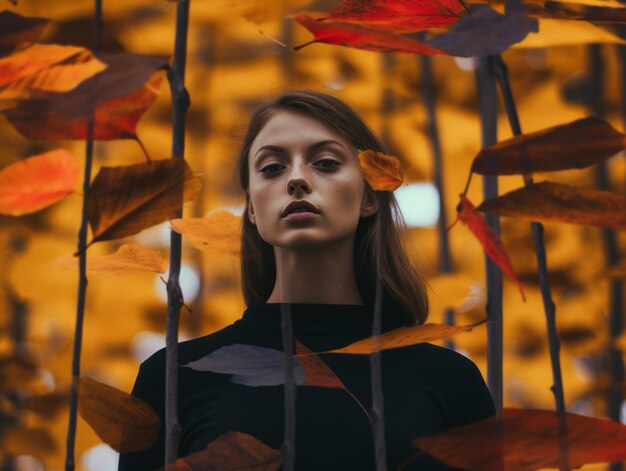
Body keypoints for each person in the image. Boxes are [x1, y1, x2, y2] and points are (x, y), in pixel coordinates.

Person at [118, 90, 496, 471]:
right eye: (272, 168)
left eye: (326, 163)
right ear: (251, 207)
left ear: (369, 196)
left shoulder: (448, 381)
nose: (297, 178)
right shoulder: (172, 378)